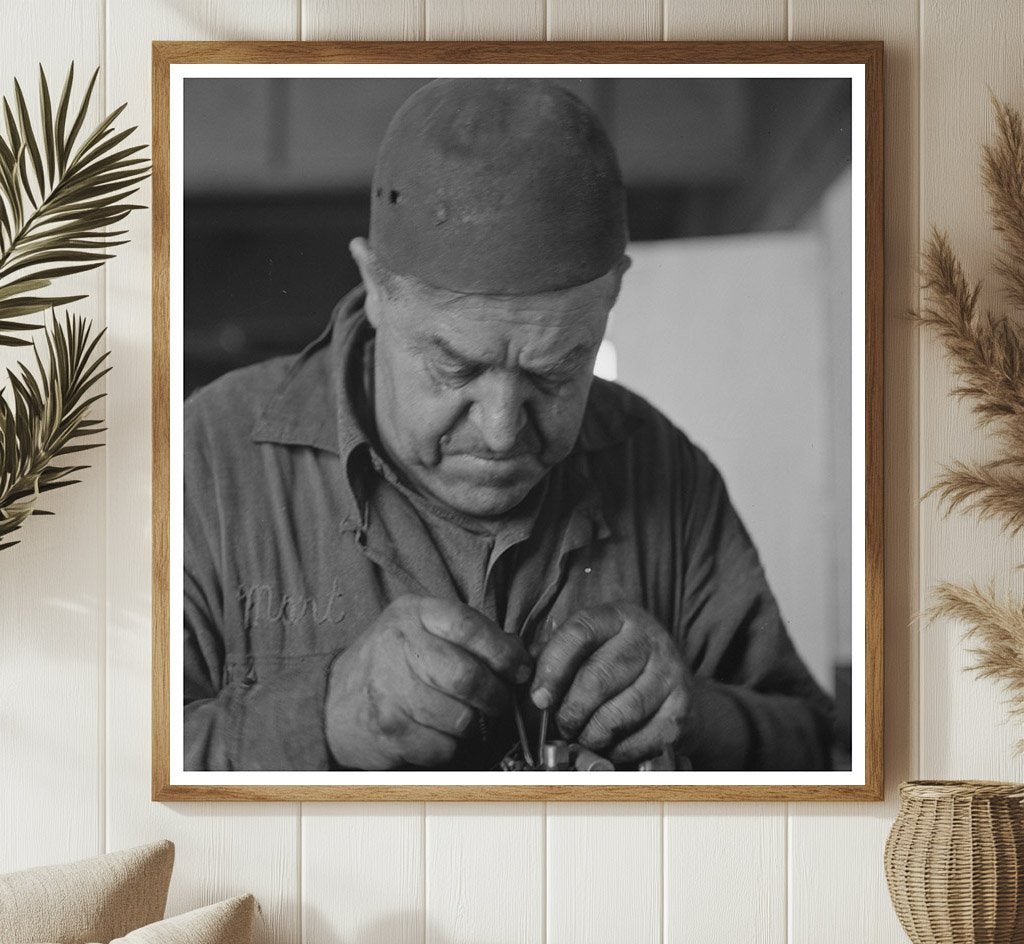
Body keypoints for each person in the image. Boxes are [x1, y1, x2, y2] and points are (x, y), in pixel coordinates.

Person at [183, 78, 835, 772]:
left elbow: (824, 752)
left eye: (555, 371)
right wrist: (322, 717)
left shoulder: (665, 470)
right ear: (375, 287)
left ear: (612, 290)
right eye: (456, 369)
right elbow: (103, 781)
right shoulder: (210, 464)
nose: (501, 432)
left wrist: (698, 716)